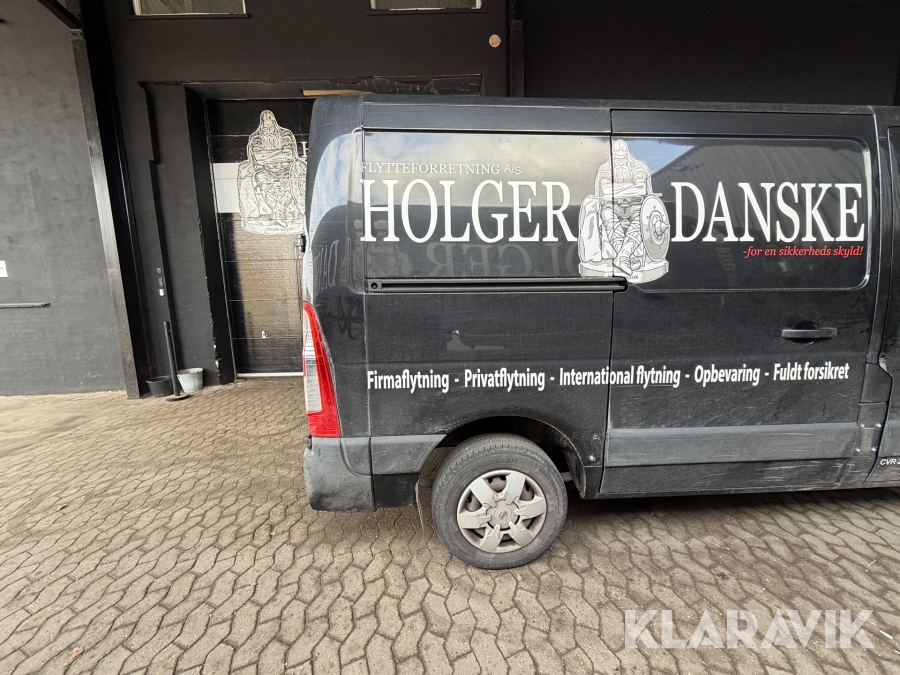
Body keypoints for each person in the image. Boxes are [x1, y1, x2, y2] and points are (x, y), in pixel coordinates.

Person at [238, 111, 306, 232]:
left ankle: (278, 211)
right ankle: (279, 212)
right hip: (264, 171)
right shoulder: (256, 138)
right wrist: (279, 154)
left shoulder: (285, 134)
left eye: (271, 127)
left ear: (275, 124)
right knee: (262, 181)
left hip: (286, 170)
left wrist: (267, 156)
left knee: (290, 182)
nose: (269, 131)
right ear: (261, 126)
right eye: (266, 128)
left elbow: (289, 155)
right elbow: (258, 157)